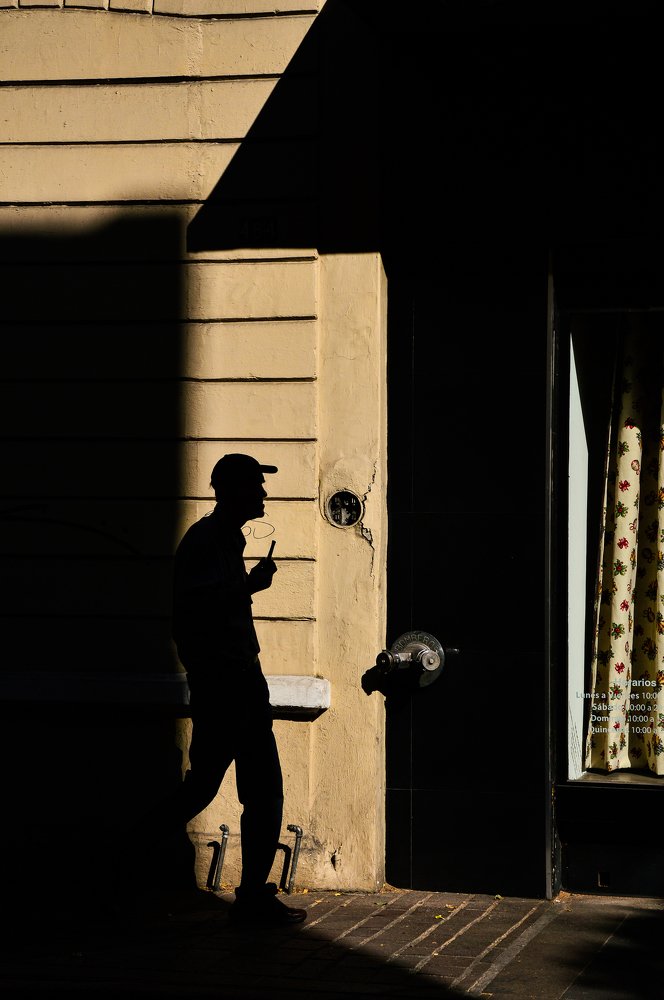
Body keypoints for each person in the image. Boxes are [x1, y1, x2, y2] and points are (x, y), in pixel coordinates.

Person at [162, 453, 306, 926]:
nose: (264, 494)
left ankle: (251, 897)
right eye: (255, 486)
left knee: (250, 789)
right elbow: (197, 613)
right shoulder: (206, 541)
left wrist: (246, 586)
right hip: (227, 687)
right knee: (233, 788)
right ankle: (138, 854)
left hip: (238, 683)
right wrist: (250, 587)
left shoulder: (224, 538)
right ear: (232, 491)